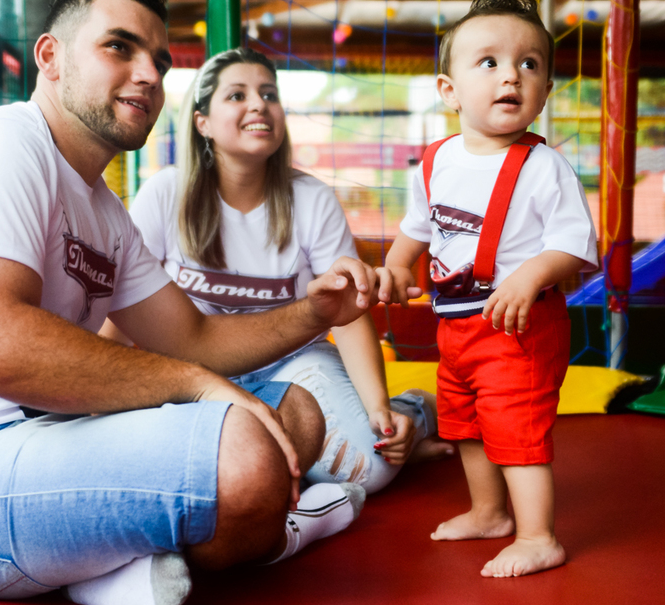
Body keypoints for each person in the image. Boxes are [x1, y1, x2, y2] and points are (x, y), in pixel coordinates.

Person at [0, 0, 413, 605]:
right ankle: (171, 547)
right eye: (120, 47)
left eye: (160, 61)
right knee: (249, 456)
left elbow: (195, 337)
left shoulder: (104, 210)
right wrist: (194, 386)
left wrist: (315, 311)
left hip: (43, 442)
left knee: (301, 413)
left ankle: (108, 562)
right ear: (51, 57)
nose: (148, 73)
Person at [101, 47, 453, 497]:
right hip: (197, 368)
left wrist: (380, 411)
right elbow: (125, 304)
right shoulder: (166, 193)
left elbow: (346, 315)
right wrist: (97, 402)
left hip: (293, 363)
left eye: (269, 94)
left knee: (370, 468)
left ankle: (417, 411)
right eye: (237, 95)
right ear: (201, 121)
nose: (258, 104)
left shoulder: (311, 199)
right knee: (176, 464)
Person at [382, 0, 597, 578]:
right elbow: (416, 231)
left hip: (518, 327)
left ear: (545, 91)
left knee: (515, 426)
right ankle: (489, 512)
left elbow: (576, 243)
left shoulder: (543, 167)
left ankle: (538, 535)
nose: (511, 75)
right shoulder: (435, 162)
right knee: (465, 421)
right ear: (448, 90)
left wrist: (530, 275)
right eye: (489, 63)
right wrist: (399, 267)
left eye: (530, 64)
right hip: (454, 326)